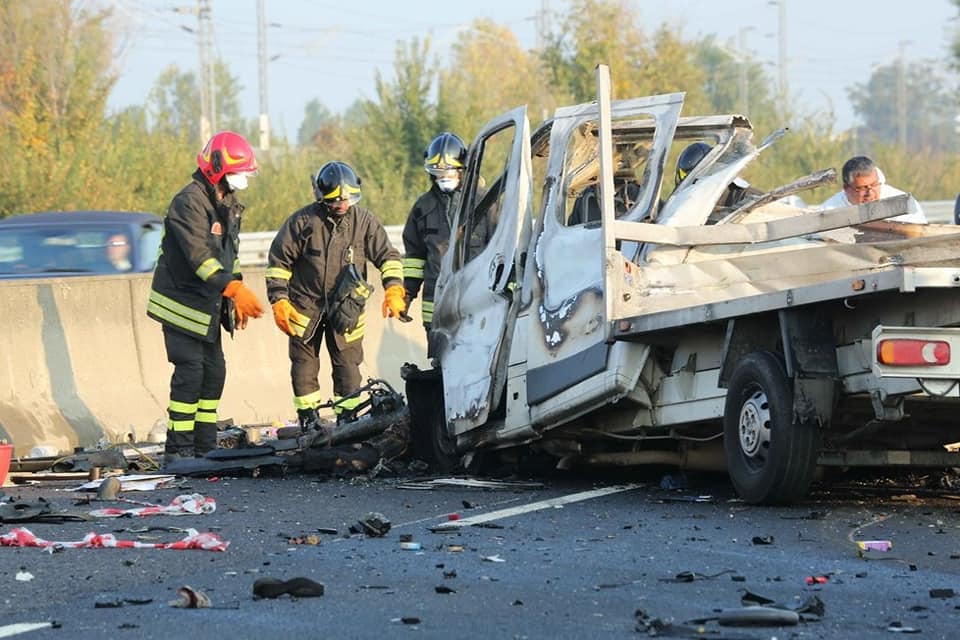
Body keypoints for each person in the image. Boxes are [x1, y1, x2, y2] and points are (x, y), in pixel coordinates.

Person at [147, 131, 265, 464]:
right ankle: (179, 452)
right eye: (234, 173)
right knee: (190, 374)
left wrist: (235, 288)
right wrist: (232, 288)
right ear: (215, 168)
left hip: (208, 307)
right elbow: (198, 257)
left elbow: (230, 255)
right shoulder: (189, 202)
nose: (239, 181)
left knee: (214, 374)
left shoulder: (227, 202)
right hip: (180, 304)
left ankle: (204, 448)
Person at [266, 160, 406, 430]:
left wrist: (394, 288)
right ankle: (309, 420)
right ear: (321, 197)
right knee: (304, 365)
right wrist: (279, 300)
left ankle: (348, 421)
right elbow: (278, 263)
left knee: (348, 366)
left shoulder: (364, 222)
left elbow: (388, 256)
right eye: (336, 200)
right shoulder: (302, 222)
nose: (343, 205)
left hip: (348, 308)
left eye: (347, 199)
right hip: (305, 306)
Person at [401, 132, 471, 333]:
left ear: (462, 170)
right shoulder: (423, 208)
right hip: (436, 306)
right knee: (440, 361)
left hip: (474, 301)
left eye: (449, 173)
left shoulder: (483, 203)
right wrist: (407, 295)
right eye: (439, 174)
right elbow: (415, 258)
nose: (444, 179)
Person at [820, 155, 927, 223]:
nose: (870, 193)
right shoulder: (830, 210)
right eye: (862, 188)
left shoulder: (902, 203)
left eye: (874, 185)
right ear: (846, 188)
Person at [675, 141, 762, 215]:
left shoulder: (751, 197)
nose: (690, 182)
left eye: (692, 176)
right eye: (684, 175)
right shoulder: (683, 202)